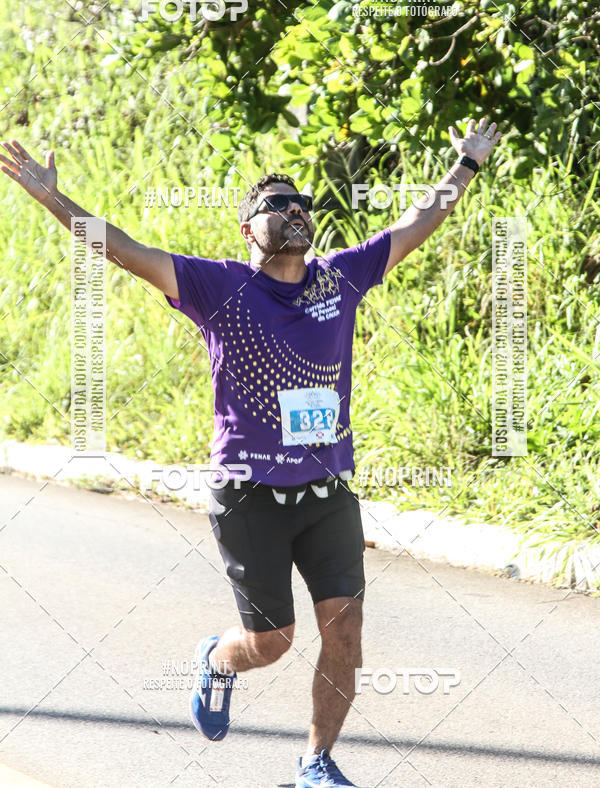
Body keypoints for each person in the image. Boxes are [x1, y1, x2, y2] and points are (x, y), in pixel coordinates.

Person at [0, 117, 502, 787]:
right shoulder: (218, 287)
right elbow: (121, 249)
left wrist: (466, 165)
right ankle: (218, 660)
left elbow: (415, 224)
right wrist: (51, 198)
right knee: (272, 643)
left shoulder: (339, 278)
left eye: (303, 205)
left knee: (345, 636)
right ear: (248, 229)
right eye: (278, 206)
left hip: (328, 495)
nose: (296, 211)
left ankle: (315, 765)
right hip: (249, 498)